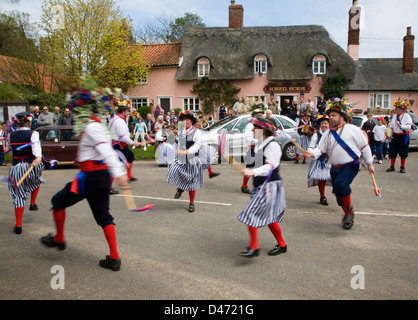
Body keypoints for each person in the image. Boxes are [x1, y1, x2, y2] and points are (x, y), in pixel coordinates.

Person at [40, 86, 129, 271]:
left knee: (57, 201)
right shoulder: (99, 126)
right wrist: (81, 158)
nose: (76, 113)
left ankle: (59, 239)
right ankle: (114, 257)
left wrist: (120, 174)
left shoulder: (93, 127)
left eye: (79, 110)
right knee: (103, 216)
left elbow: (106, 150)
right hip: (101, 176)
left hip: (91, 177)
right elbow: (99, 149)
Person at [304, 98, 374, 230]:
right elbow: (321, 149)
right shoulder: (327, 134)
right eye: (329, 115)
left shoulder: (352, 129)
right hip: (334, 168)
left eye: (333, 115)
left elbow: (364, 146)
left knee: (341, 185)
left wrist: (369, 163)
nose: (330, 118)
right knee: (338, 195)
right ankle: (348, 213)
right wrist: (311, 153)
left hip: (350, 165)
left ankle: (349, 213)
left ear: (342, 117)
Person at [238, 117, 287, 258]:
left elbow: (270, 167)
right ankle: (282, 245)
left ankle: (254, 247)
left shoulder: (272, 145)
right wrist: (249, 169)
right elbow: (257, 161)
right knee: (269, 217)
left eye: (255, 128)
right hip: (262, 185)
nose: (252, 130)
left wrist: (252, 171)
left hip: (269, 185)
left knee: (250, 213)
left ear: (263, 131)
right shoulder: (261, 143)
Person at [7, 112, 44, 234]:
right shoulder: (33, 134)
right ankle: (33, 202)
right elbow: (37, 153)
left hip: (16, 168)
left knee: (18, 196)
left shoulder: (10, 136)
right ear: (28, 122)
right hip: (30, 165)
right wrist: (38, 158)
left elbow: (11, 151)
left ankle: (18, 225)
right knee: (36, 179)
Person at [166, 111, 207, 212]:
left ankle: (191, 203)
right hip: (182, 157)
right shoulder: (181, 130)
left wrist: (188, 151)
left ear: (192, 121)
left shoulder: (197, 131)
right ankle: (180, 187)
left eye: (188, 119)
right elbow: (178, 142)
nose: (185, 121)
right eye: (184, 119)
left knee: (192, 182)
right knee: (174, 168)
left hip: (192, 158)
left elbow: (197, 144)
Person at [109, 96, 141, 182]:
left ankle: (129, 176)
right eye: (127, 111)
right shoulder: (119, 121)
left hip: (120, 145)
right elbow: (122, 136)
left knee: (130, 156)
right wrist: (133, 143)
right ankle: (108, 187)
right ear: (123, 111)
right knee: (116, 165)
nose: (128, 113)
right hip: (117, 146)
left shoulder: (115, 118)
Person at [307, 115, 332, 205]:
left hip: (331, 160)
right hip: (319, 160)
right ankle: (322, 196)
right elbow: (311, 146)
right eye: (322, 123)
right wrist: (310, 153)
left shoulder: (332, 134)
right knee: (322, 179)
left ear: (329, 124)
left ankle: (340, 196)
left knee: (336, 179)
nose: (324, 125)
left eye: (325, 123)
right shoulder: (316, 135)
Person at [241, 103, 264, 194]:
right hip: (251, 149)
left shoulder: (260, 125)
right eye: (258, 116)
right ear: (254, 116)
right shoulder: (250, 125)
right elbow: (248, 139)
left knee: (259, 167)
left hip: (258, 148)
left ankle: (258, 185)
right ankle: (244, 186)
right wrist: (258, 141)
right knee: (250, 167)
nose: (260, 117)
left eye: (261, 115)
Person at [386, 99, 413, 173]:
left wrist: (400, 125)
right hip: (395, 135)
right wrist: (390, 126)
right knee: (393, 151)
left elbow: (409, 127)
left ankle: (402, 167)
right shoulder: (394, 116)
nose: (395, 109)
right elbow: (391, 123)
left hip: (403, 136)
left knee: (403, 152)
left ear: (401, 109)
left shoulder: (407, 116)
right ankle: (392, 166)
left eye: (396, 108)